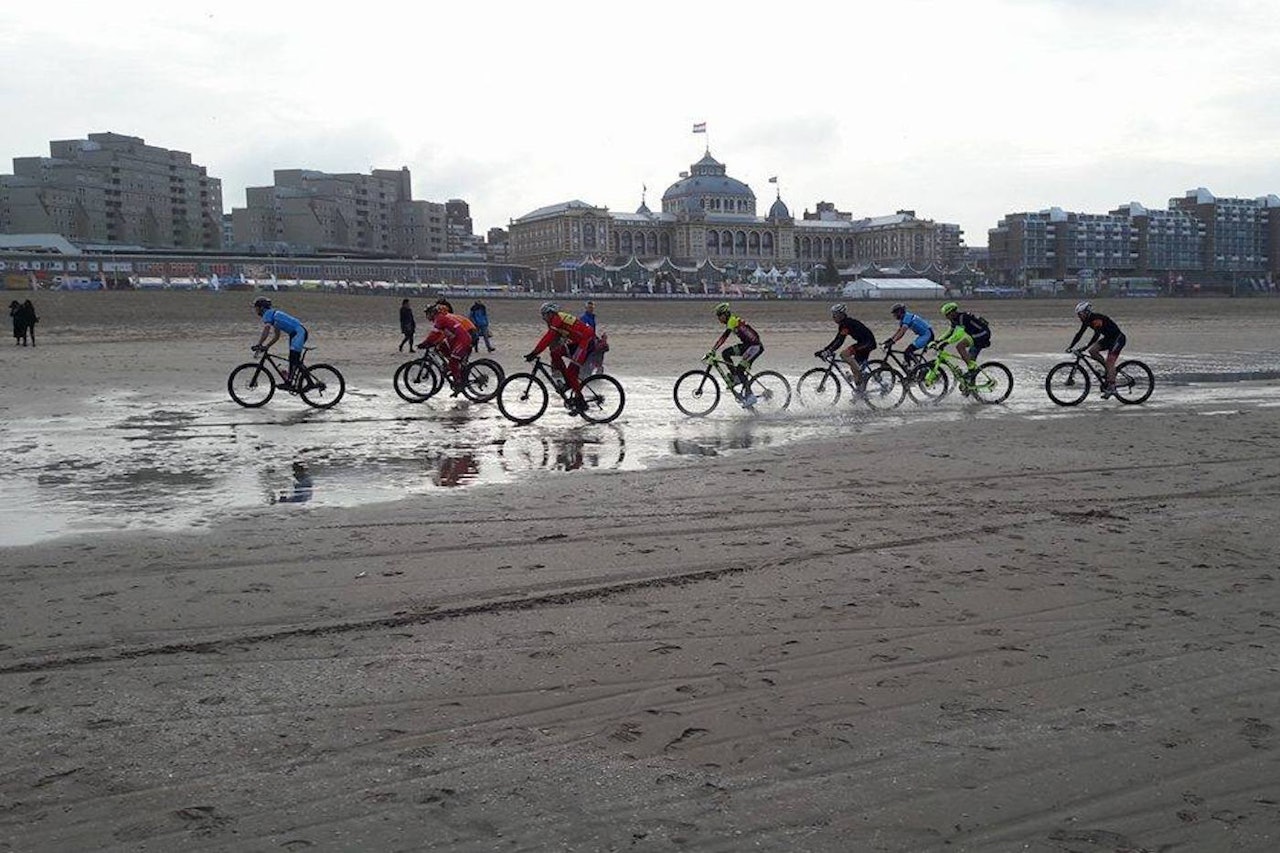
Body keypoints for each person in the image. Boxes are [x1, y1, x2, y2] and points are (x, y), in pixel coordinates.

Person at [525, 301, 596, 413]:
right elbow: (553, 342)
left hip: (586, 342)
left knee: (572, 373)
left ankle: (581, 402)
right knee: (555, 353)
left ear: (550, 313)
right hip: (578, 342)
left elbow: (547, 338)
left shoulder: (557, 319)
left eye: (544, 315)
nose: (543, 318)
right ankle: (568, 381)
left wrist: (534, 352)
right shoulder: (556, 320)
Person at [1067, 301, 1126, 398]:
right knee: (1092, 351)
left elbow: (1096, 335)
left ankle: (1112, 387)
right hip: (1109, 338)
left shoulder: (1096, 319)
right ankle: (1108, 371)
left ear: (1086, 312)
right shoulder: (1086, 321)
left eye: (1080, 314)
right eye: (1078, 315)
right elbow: (1079, 334)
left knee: (1110, 362)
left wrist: (1086, 346)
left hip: (1118, 339)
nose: (1079, 317)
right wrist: (1071, 346)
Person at [815, 303, 877, 393]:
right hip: (864, 342)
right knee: (854, 368)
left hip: (867, 343)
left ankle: (863, 374)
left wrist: (828, 351)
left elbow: (840, 342)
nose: (833, 317)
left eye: (835, 314)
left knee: (844, 354)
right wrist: (825, 350)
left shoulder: (846, 324)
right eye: (833, 315)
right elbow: (836, 339)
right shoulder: (843, 324)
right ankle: (860, 392)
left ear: (841, 314)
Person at [711, 302, 763, 406]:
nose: (719, 319)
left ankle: (750, 396)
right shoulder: (732, 320)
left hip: (754, 347)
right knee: (726, 353)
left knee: (740, 370)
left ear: (725, 314)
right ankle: (736, 377)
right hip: (748, 345)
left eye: (720, 316)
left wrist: (714, 349)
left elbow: (724, 337)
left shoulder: (732, 321)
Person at [420, 303, 477, 395]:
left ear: (432, 312)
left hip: (464, 339)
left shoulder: (440, 319)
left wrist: (425, 343)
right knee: (444, 348)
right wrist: (433, 342)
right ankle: (456, 372)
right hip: (463, 337)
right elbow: (442, 335)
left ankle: (458, 382)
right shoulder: (443, 317)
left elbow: (435, 334)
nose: (426, 316)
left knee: (453, 361)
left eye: (427, 313)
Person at [253, 297, 308, 388]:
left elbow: (266, 330)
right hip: (296, 334)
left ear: (261, 308)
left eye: (256, 308)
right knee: (293, 359)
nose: (255, 310)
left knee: (294, 359)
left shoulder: (268, 314)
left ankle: (297, 382)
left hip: (299, 333)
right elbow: (276, 336)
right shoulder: (274, 316)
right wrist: (267, 346)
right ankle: (291, 381)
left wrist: (259, 344)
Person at [935, 301, 992, 386]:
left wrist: (946, 342)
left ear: (953, 312)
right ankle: (970, 386)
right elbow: (950, 332)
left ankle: (971, 370)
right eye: (945, 315)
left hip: (982, 334)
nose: (947, 317)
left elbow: (959, 334)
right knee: (970, 360)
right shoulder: (954, 319)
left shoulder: (962, 317)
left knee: (960, 346)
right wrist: (939, 340)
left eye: (947, 314)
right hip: (975, 335)